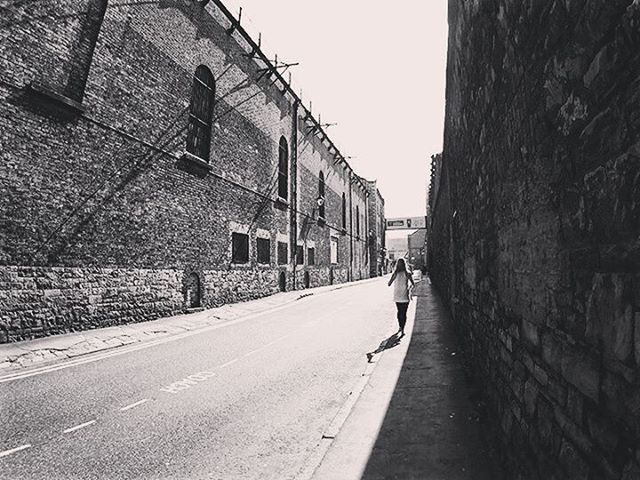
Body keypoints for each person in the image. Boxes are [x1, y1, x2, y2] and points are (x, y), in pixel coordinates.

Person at [387, 258, 415, 337]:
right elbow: (413, 284)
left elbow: (389, 284)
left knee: (399, 312)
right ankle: (402, 329)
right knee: (404, 313)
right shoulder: (407, 273)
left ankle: (400, 326)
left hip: (397, 295)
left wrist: (394, 281)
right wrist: (409, 288)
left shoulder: (395, 273)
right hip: (405, 295)